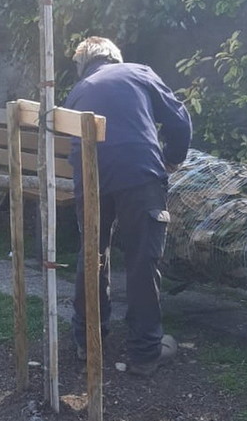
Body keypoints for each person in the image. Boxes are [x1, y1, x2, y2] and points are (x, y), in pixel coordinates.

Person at [64, 36, 192, 377]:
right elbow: (179, 120)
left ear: (82, 65)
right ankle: (145, 352)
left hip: (91, 177)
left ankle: (87, 341)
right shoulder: (138, 73)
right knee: (141, 259)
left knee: (92, 255)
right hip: (139, 174)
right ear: (115, 57)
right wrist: (172, 159)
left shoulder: (77, 91)